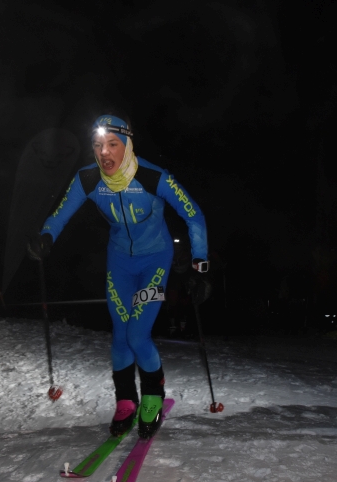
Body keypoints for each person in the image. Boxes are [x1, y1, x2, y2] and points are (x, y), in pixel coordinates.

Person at [28, 115, 209, 438]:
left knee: (138, 335)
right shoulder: (88, 180)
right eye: (98, 146)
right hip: (120, 263)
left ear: (126, 146)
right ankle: (125, 399)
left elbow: (193, 213)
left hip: (155, 259)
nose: (104, 153)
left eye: (112, 144)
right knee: (121, 334)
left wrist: (200, 262)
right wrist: (45, 237)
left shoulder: (153, 177)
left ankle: (153, 394)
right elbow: (59, 215)